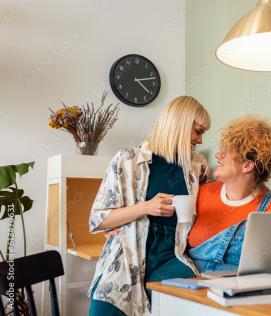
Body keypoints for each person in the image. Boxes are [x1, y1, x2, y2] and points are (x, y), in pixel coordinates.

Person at [87, 96, 210, 316]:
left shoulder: (198, 167)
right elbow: (98, 219)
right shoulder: (127, 159)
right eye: (198, 131)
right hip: (125, 257)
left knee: (189, 306)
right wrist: (144, 208)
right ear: (179, 126)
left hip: (172, 256)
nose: (200, 140)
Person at [187, 116, 271, 272]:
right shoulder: (202, 193)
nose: (218, 155)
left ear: (247, 165)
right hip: (189, 289)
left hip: (237, 294)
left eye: (225, 152)